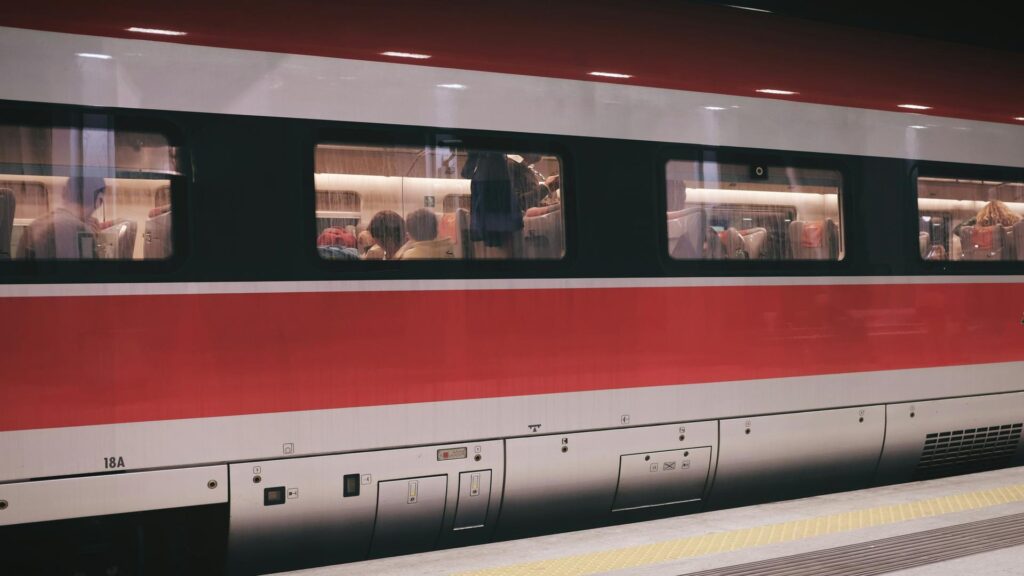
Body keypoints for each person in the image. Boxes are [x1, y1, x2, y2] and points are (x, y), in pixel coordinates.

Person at [17, 175, 104, 259]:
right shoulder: (82, 232)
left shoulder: (33, 226)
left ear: (64, 192)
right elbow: (91, 272)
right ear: (99, 201)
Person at [461, 151, 522, 256]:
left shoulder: (481, 163)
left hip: (485, 181)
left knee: (490, 237)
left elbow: (467, 171)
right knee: (504, 236)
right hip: (494, 180)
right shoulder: (497, 166)